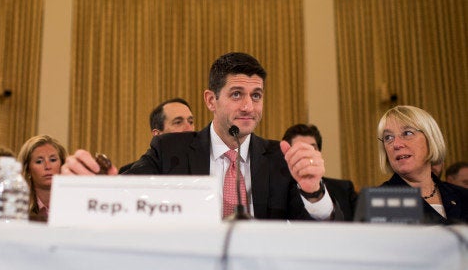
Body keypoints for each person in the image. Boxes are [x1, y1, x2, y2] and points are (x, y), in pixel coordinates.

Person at [62, 52, 337, 221]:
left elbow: (316, 235)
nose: (248, 107)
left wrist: (313, 192)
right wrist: (96, 186)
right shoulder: (170, 149)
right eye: (236, 94)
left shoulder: (280, 157)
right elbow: (129, 192)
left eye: (256, 96)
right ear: (210, 100)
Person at [377, 105, 468, 224]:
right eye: (388, 137)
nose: (396, 144)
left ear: (431, 138)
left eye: (407, 133)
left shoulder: (464, 196)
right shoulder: (378, 202)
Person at [282, 124, 358, 221]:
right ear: (287, 155)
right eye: (300, 150)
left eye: (312, 149)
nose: (307, 154)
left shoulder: (344, 189)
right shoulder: (277, 193)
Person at [119, 98, 195, 173]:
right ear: (158, 134)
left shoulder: (203, 160)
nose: (189, 129)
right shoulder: (140, 172)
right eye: (178, 122)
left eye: (190, 122)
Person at [18, 135, 67, 222]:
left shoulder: (74, 202)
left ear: (62, 165)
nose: (47, 166)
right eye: (39, 161)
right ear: (28, 169)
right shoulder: (18, 205)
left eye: (53, 160)